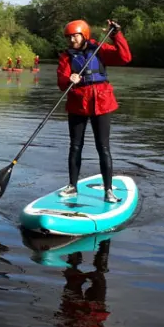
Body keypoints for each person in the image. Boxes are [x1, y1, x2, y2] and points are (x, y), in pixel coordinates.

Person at [56, 19, 132, 203]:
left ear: (84, 35)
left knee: (103, 147)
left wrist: (116, 35)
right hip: (77, 104)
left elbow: (125, 57)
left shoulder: (99, 49)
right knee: (75, 146)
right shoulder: (66, 56)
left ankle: (108, 190)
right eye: (69, 37)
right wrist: (69, 80)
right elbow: (61, 81)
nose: (72, 39)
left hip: (102, 103)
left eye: (75, 35)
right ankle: (72, 186)